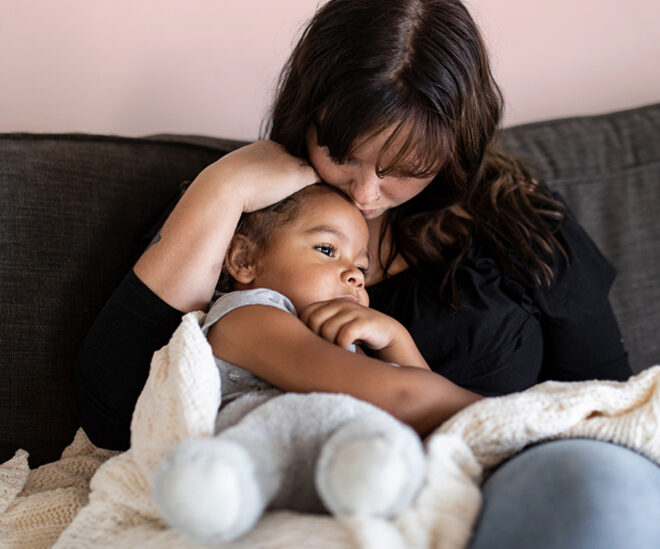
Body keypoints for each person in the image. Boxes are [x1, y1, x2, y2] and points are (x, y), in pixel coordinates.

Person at [76, 1, 660, 547]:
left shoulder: (522, 219)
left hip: (513, 483)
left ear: (453, 150)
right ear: (309, 116)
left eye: (404, 169)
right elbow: (119, 411)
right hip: (336, 500)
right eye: (344, 153)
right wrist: (221, 188)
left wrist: (406, 347)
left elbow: (603, 403)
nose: (364, 191)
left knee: (605, 489)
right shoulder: (251, 223)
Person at [152, 183, 470, 543]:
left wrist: (396, 337)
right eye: (326, 249)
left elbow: (429, 417)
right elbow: (402, 397)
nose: (354, 275)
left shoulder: (333, 335)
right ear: (245, 259)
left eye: (361, 267)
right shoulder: (249, 317)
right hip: (266, 477)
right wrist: (495, 411)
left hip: (350, 475)